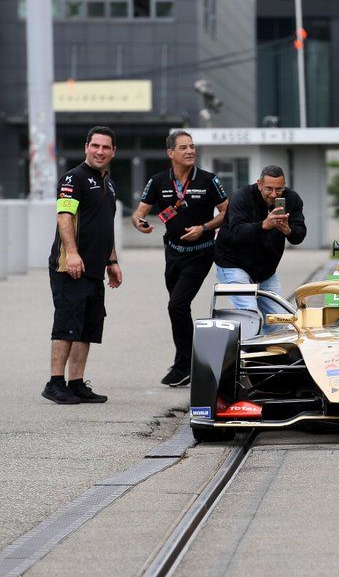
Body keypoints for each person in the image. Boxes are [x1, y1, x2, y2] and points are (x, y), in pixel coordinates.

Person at [131, 129, 228, 386]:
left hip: (201, 253)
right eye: (183, 147)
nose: (190, 151)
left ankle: (184, 365)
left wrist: (205, 228)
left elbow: (226, 213)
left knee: (176, 305)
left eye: (192, 147)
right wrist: (139, 222)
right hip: (173, 254)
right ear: (170, 153)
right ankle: (185, 362)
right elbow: (139, 212)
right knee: (178, 308)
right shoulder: (158, 181)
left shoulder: (208, 180)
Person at [42, 126, 122, 405]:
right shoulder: (72, 178)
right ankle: (55, 383)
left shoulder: (108, 183)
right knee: (67, 323)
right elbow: (64, 217)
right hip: (69, 265)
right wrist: (73, 253)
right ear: (86, 146)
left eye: (106, 147)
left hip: (95, 268)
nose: (100, 151)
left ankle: (76, 383)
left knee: (88, 326)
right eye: (95, 146)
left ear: (113, 151)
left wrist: (111, 261)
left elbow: (105, 226)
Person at [214, 165, 306, 319]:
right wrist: (263, 225)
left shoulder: (292, 199)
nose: (274, 194)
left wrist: (288, 230)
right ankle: (248, 342)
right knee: (251, 315)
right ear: (259, 184)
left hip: (266, 269)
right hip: (233, 263)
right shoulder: (241, 197)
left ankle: (268, 343)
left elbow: (300, 235)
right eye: (269, 188)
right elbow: (236, 234)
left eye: (279, 189)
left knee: (278, 320)